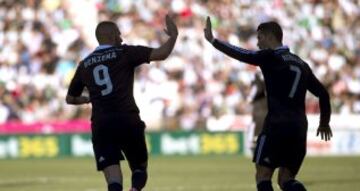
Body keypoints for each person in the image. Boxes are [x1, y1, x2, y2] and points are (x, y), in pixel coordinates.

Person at [204, 16, 332, 191]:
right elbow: (323, 94)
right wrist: (324, 123)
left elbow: (244, 54)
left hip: (276, 124)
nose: (257, 44)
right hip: (299, 127)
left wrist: (213, 41)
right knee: (286, 180)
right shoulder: (301, 63)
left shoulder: (270, 56)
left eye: (259, 38)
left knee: (263, 175)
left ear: (270, 37)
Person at [66, 15, 178, 191]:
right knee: (139, 169)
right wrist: (173, 37)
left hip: (102, 124)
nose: (121, 38)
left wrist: (87, 99)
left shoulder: (84, 64)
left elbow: (70, 99)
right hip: (127, 119)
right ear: (111, 36)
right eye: (118, 34)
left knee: (113, 180)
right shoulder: (124, 52)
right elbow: (162, 54)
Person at [248, 72, 267, 154]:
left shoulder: (258, 77)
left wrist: (250, 98)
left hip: (260, 109)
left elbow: (256, 88)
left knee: (256, 127)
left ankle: (255, 145)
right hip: (268, 108)